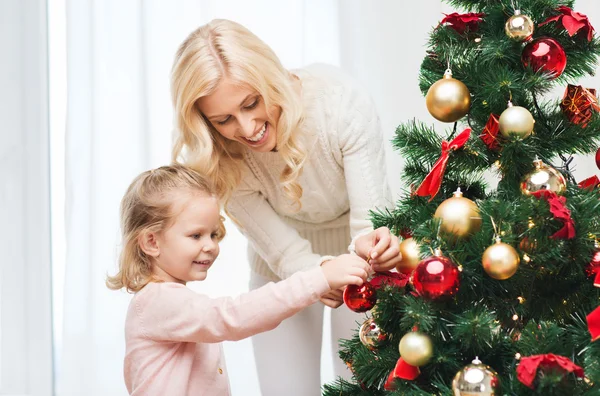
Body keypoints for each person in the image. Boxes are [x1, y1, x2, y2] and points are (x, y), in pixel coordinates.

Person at [170, 19, 401, 394]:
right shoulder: (216, 157)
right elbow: (284, 251)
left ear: (270, 78)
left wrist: (372, 247)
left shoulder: (340, 102)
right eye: (223, 119)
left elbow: (369, 223)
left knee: (363, 386)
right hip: (279, 267)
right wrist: (317, 273)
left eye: (251, 103)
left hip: (362, 259)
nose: (246, 128)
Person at [106, 164, 370, 395]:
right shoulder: (157, 301)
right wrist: (319, 278)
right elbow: (233, 316)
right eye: (196, 235)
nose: (210, 246)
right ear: (151, 242)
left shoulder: (170, 300)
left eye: (214, 234)